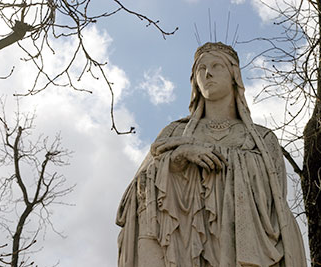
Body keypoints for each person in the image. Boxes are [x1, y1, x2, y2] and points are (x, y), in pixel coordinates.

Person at [116, 42, 307, 267]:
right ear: (194, 80)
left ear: (234, 74)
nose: (208, 73)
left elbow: (276, 206)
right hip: (184, 249)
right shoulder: (175, 132)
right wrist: (177, 159)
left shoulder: (262, 140)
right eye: (201, 68)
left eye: (217, 65)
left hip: (248, 251)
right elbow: (135, 196)